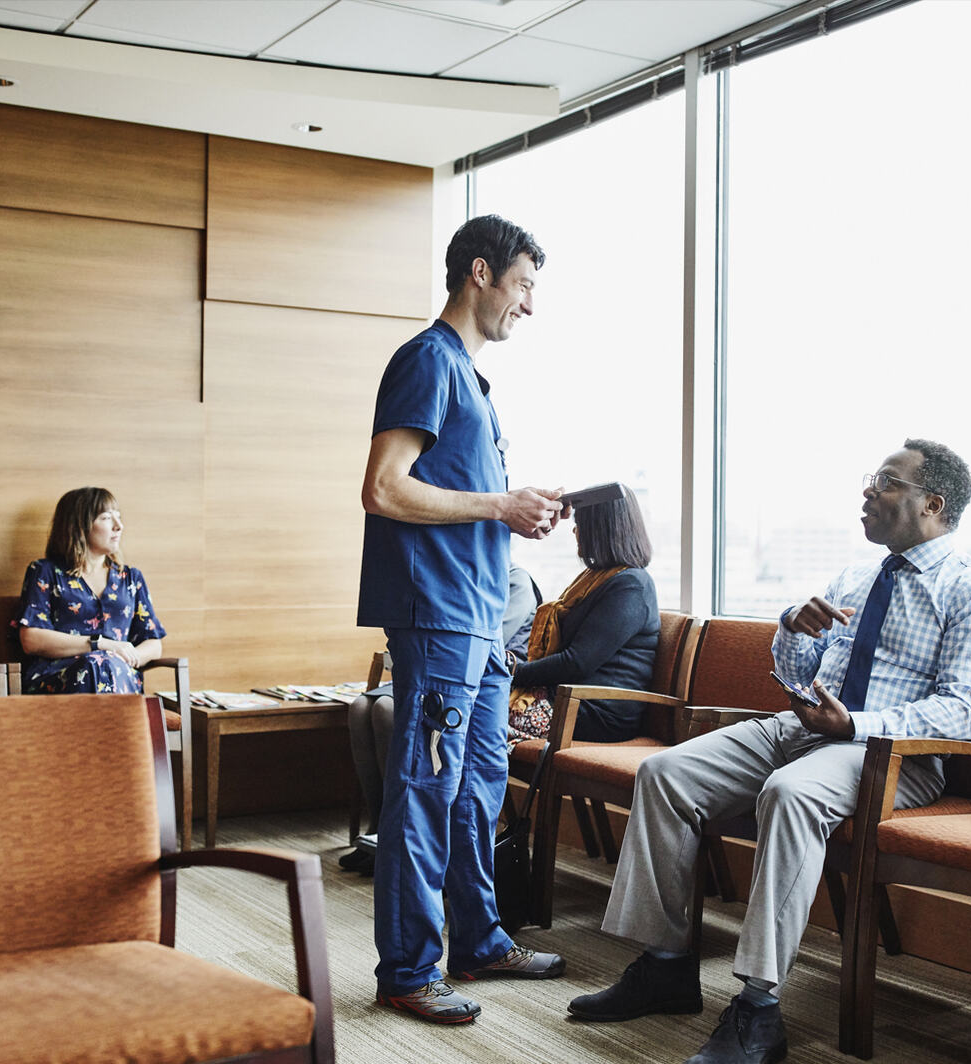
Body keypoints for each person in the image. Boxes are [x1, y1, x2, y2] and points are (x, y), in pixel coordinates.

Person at [568, 439, 971, 1064]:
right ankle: (666, 964)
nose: (867, 491)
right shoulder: (856, 577)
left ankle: (758, 1008)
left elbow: (964, 710)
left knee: (790, 794)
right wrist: (791, 630)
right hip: (803, 729)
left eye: (885, 482)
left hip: (893, 756)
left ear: (932, 504)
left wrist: (857, 724)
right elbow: (797, 673)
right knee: (665, 773)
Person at [358, 214, 568, 1025]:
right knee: (425, 790)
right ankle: (409, 970)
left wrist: (515, 512)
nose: (528, 305)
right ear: (480, 273)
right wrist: (500, 504)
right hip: (440, 617)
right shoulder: (427, 361)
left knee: (480, 788)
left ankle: (479, 940)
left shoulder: (471, 380)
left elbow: (460, 501)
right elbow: (383, 487)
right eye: (523, 286)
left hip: (482, 624)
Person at [342, 561, 542, 874]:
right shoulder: (459, 574)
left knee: (385, 710)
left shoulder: (516, 581)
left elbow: (486, 643)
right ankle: (378, 824)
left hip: (476, 679)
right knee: (359, 708)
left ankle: (393, 835)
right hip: (437, 666)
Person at [508, 486, 659, 746]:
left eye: (580, 524)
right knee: (475, 703)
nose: (575, 531)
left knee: (479, 714)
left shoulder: (631, 585)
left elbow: (576, 662)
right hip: (568, 698)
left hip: (596, 712)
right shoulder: (597, 580)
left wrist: (511, 673)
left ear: (601, 530)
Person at [17, 486, 166, 695]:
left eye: (119, 517)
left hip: (119, 676)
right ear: (79, 526)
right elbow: (31, 639)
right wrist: (100, 645)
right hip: (60, 678)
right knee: (95, 665)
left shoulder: (131, 578)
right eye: (106, 518)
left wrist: (126, 656)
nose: (119, 526)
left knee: (105, 666)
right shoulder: (45, 572)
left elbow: (153, 642)